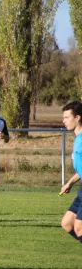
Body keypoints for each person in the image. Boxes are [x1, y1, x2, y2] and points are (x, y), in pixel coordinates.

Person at [58, 101, 82, 243]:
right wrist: (70, 183)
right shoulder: (77, 138)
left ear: (77, 118)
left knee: (79, 228)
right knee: (67, 224)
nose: (64, 121)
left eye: (67, 117)